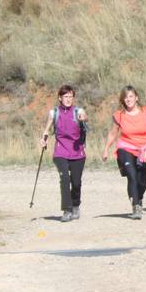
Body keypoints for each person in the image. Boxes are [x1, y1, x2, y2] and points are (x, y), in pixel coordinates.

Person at [102, 85, 146, 219]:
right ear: (123, 100)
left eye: (131, 96)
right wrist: (106, 149)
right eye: (126, 97)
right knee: (131, 175)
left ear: (136, 98)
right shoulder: (119, 115)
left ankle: (139, 197)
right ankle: (136, 206)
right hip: (125, 147)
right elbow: (112, 134)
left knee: (142, 181)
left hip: (144, 147)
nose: (128, 99)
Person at [39, 84, 88, 222]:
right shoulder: (54, 113)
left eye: (70, 96)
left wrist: (83, 118)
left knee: (76, 182)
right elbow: (46, 130)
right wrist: (44, 139)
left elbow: (85, 118)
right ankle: (67, 210)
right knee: (65, 179)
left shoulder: (78, 111)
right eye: (65, 96)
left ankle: (75, 205)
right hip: (60, 151)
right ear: (60, 98)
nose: (68, 99)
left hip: (78, 153)